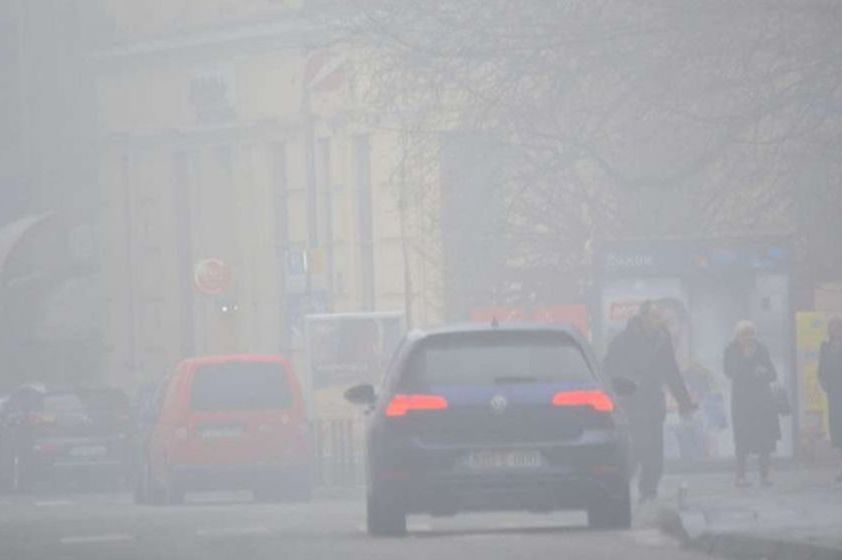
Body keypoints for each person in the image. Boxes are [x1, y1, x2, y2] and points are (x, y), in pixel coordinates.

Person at [604, 300, 696, 503]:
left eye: (660, 317)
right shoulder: (622, 340)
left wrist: (684, 403)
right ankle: (621, 488)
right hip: (631, 403)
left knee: (655, 450)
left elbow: (672, 373)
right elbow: (609, 370)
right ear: (643, 317)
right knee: (636, 448)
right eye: (655, 316)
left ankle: (649, 492)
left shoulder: (662, 341)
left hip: (653, 403)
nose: (659, 321)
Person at [723, 321, 781, 487]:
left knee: (764, 439)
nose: (748, 337)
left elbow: (772, 373)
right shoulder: (731, 350)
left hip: (762, 401)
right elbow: (729, 371)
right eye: (744, 334)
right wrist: (752, 371)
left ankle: (765, 475)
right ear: (737, 336)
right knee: (742, 438)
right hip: (742, 402)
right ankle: (740, 476)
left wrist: (763, 373)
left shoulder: (761, 349)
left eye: (751, 333)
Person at [818, 316, 842, 483]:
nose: (835, 331)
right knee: (838, 429)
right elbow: (822, 367)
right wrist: (823, 381)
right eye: (832, 328)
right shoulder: (825, 346)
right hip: (834, 393)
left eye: (838, 327)